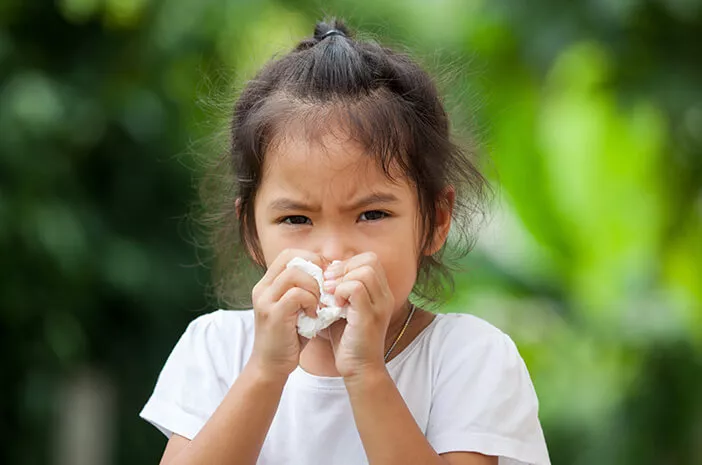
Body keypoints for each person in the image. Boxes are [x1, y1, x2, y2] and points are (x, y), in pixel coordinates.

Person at [140, 18, 551, 465]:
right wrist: (265, 372)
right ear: (252, 234)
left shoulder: (469, 358)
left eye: (372, 214)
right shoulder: (219, 348)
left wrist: (366, 373)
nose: (334, 251)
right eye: (296, 218)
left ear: (435, 219)